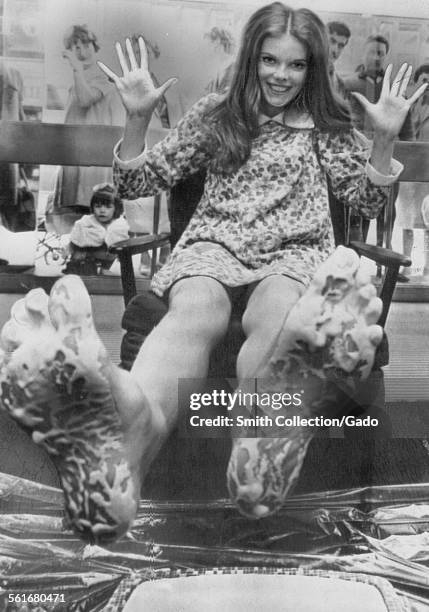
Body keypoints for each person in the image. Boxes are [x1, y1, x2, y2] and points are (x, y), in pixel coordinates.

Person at [0, 3, 426, 544]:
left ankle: (262, 433)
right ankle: (130, 433)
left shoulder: (325, 125)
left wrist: (384, 138)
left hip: (292, 252)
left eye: (296, 66)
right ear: (253, 58)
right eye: (271, 60)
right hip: (213, 247)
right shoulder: (218, 113)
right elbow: (138, 184)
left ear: (313, 69)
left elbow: (363, 197)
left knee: (277, 314)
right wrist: (135, 119)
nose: (281, 75)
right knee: (194, 313)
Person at [52, 25, 124, 226]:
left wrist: (76, 68)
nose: (81, 51)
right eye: (75, 47)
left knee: (90, 207)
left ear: (95, 46)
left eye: (86, 44)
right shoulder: (80, 77)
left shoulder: (102, 74)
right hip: (77, 149)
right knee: (74, 211)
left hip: (93, 150)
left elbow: (85, 99)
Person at [396, 64, 429, 278]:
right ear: (416, 82)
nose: (426, 86)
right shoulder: (405, 107)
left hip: (427, 172)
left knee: (428, 222)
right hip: (408, 171)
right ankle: (406, 265)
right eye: (423, 80)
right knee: (406, 221)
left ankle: (427, 268)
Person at [64, 183, 129, 275]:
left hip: (109, 260)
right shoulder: (86, 222)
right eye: (97, 206)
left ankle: (102, 270)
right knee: (79, 262)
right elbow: (76, 242)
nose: (102, 210)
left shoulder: (118, 224)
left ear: (116, 208)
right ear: (92, 207)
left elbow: (123, 242)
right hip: (86, 260)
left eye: (108, 207)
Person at [326, 21, 350, 98]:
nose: (335, 50)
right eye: (332, 41)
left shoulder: (340, 84)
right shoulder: (304, 73)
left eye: (341, 46)